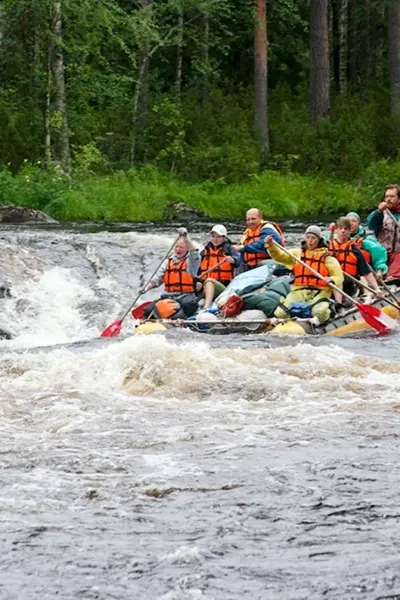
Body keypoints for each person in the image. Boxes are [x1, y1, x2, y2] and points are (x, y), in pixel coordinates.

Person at [265, 225, 343, 325]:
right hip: (298, 290)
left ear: (319, 240)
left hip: (319, 292)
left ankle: (330, 312)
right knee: (280, 313)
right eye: (308, 237)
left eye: (313, 238)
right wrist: (271, 246)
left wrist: (331, 280)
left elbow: (339, 277)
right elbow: (280, 257)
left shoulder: (328, 258)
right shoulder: (297, 254)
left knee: (319, 312)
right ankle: (291, 322)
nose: (310, 241)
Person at [142, 227, 200, 318]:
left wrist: (185, 237)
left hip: (185, 296)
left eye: (181, 247)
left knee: (189, 305)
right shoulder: (167, 262)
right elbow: (156, 280)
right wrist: (145, 288)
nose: (178, 249)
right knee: (147, 310)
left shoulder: (191, 261)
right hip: (168, 296)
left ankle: (183, 319)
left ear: (187, 248)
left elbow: (194, 253)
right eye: (176, 247)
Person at [328, 217, 383, 301]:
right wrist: (331, 232)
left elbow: (366, 272)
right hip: (331, 284)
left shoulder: (354, 249)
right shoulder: (329, 247)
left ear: (350, 231)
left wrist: (376, 289)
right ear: (336, 230)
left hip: (349, 285)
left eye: (346, 229)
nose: (343, 231)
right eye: (340, 228)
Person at [199, 224, 241, 310]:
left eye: (218, 237)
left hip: (223, 286)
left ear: (224, 237)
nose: (215, 239)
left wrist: (233, 260)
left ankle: (206, 308)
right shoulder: (205, 251)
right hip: (205, 287)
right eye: (213, 236)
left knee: (209, 280)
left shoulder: (229, 249)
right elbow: (196, 268)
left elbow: (238, 261)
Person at [367, 184, 400, 278]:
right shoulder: (380, 214)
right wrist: (379, 212)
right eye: (387, 196)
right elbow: (371, 225)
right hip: (382, 254)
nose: (389, 199)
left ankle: (393, 277)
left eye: (392, 196)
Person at [344, 211, 388, 279]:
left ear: (358, 224)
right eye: (348, 221)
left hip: (365, 275)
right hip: (345, 274)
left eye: (354, 221)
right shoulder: (338, 238)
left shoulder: (367, 240)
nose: (351, 224)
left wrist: (379, 271)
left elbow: (380, 254)